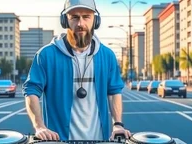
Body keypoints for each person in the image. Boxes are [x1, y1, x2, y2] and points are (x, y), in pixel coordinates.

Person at [22, 0, 131, 141]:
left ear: (95, 21)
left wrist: (117, 124)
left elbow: (114, 92)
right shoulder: (46, 55)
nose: (80, 23)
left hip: (100, 140)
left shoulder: (107, 56)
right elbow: (31, 91)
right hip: (58, 141)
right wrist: (39, 126)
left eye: (86, 17)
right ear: (65, 21)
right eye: (74, 17)